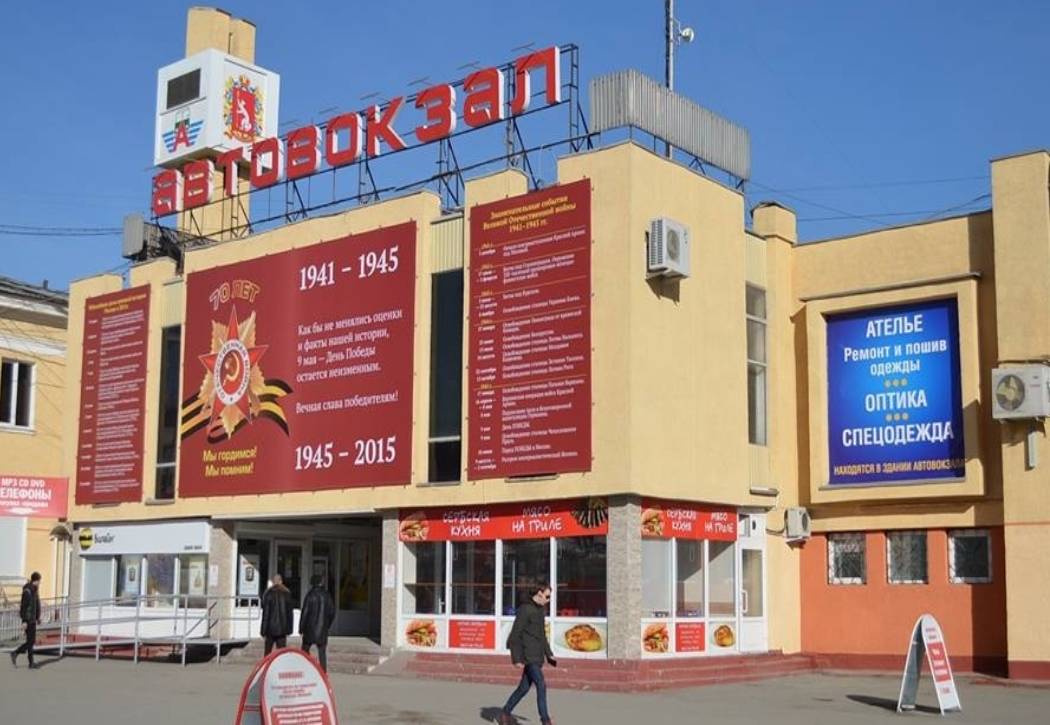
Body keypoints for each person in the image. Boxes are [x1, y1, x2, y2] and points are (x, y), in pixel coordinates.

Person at [499, 583, 556, 725]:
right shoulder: (525, 609)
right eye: (547, 596)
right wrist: (516, 658)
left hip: (538, 656)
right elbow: (515, 635)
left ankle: (505, 713)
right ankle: (545, 720)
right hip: (528, 656)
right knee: (541, 684)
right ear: (539, 593)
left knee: (523, 688)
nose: (549, 600)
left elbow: (542, 635)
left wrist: (549, 654)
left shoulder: (540, 610)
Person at [299, 574, 336, 671]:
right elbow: (332, 612)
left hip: (309, 629)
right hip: (322, 629)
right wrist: (327, 625)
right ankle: (323, 672)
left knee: (304, 650)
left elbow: (304, 613)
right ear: (321, 582)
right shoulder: (326, 595)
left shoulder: (310, 595)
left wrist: (301, 628)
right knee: (322, 652)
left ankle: (304, 668)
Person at [10, 571, 42, 670]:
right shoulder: (27, 591)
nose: (40, 583)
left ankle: (31, 663)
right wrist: (24, 621)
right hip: (28, 619)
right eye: (39, 581)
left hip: (32, 619)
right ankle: (15, 652)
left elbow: (36, 605)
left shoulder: (35, 590)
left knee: (31, 642)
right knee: (30, 641)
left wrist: (37, 617)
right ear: (35, 580)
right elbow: (23, 607)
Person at [260, 573, 294, 655]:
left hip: (270, 629)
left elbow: (266, 614)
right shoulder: (286, 593)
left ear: (273, 582)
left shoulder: (268, 593)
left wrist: (263, 630)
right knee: (281, 654)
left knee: (267, 653)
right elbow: (290, 613)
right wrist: (289, 629)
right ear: (281, 581)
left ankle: (267, 663)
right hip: (282, 630)